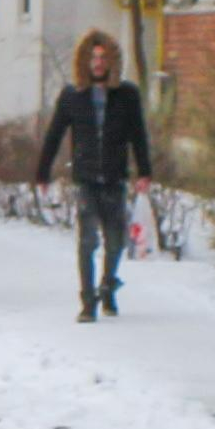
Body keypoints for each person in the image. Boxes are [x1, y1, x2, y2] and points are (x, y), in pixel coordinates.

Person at [33, 29, 153, 321]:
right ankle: (88, 302)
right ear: (84, 61)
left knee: (115, 242)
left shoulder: (127, 95)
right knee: (87, 241)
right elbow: (55, 134)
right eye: (93, 57)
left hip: (115, 178)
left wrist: (144, 171)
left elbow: (138, 135)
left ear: (112, 61)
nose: (98, 63)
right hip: (86, 178)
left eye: (103, 58)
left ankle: (107, 285)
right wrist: (43, 172)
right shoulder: (73, 96)